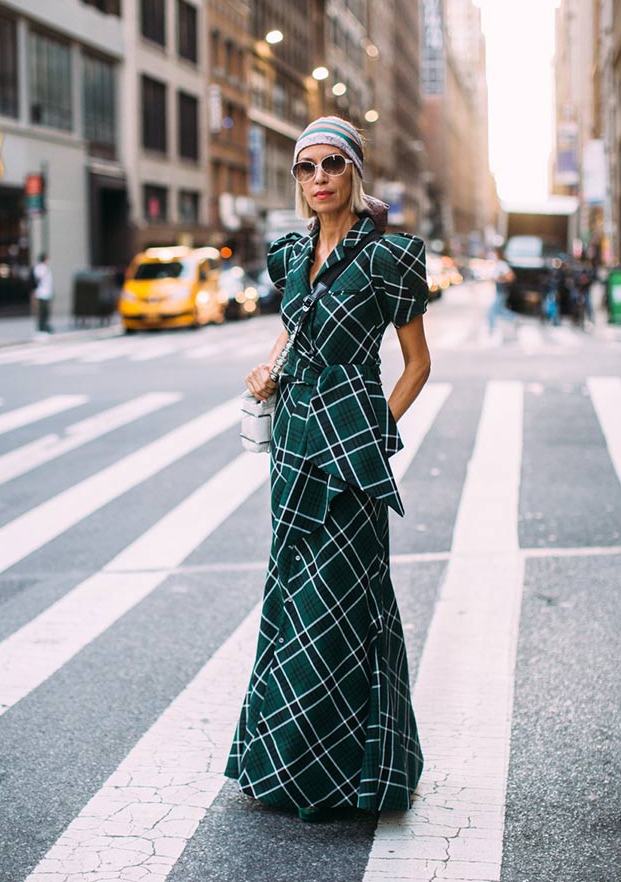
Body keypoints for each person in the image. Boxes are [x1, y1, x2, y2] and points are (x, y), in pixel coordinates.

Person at [226, 116, 431, 820]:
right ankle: (286, 763)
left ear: (354, 174)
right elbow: (294, 333)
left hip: (350, 457)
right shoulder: (289, 256)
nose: (319, 179)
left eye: (332, 165)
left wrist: (374, 435)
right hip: (292, 449)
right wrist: (268, 375)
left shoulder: (390, 258)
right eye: (306, 168)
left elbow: (418, 365)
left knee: (346, 608)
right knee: (292, 599)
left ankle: (358, 774)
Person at [487, 248, 517, 334]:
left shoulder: (502, 264)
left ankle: (491, 329)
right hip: (499, 291)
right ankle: (514, 318)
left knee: (492, 311)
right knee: (500, 310)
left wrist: (500, 278)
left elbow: (511, 277)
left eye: (494, 254)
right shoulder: (497, 264)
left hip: (502, 291)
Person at [33, 253, 54, 334]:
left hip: (47, 292)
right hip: (41, 293)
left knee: (46, 312)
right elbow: (38, 279)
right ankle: (41, 327)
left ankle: (45, 326)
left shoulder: (45, 268)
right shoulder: (39, 268)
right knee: (42, 311)